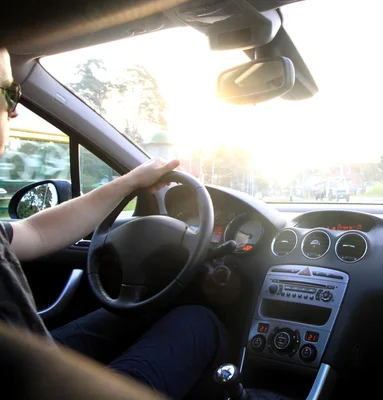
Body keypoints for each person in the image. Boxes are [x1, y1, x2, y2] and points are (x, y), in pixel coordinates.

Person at [0, 48, 226, 399]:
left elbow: (35, 231)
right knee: (198, 322)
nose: (14, 109)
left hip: (29, 362)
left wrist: (129, 181)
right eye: (7, 92)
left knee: (149, 311)